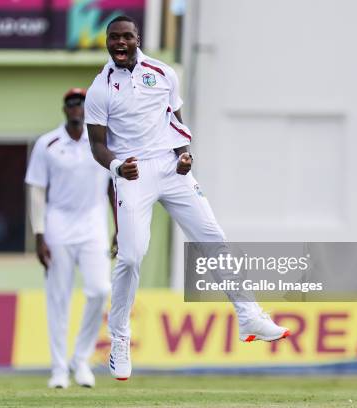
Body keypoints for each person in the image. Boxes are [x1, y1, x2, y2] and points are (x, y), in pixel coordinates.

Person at [85, 16, 290, 381]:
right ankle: (119, 340)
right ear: (107, 42)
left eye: (125, 37)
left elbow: (175, 122)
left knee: (212, 238)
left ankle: (249, 317)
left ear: (137, 39)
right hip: (133, 173)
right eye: (112, 38)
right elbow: (97, 144)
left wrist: (185, 156)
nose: (119, 43)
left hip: (172, 169)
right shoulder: (100, 88)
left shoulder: (163, 72)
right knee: (131, 257)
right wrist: (117, 167)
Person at [25, 88, 115, 389]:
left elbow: (113, 187)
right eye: (72, 104)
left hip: (93, 225)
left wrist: (120, 227)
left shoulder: (104, 140)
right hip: (58, 225)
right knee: (58, 299)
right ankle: (59, 370)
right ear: (65, 109)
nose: (77, 109)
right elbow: (37, 192)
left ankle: (81, 359)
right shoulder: (47, 144)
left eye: (82, 104)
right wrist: (39, 235)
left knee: (100, 290)